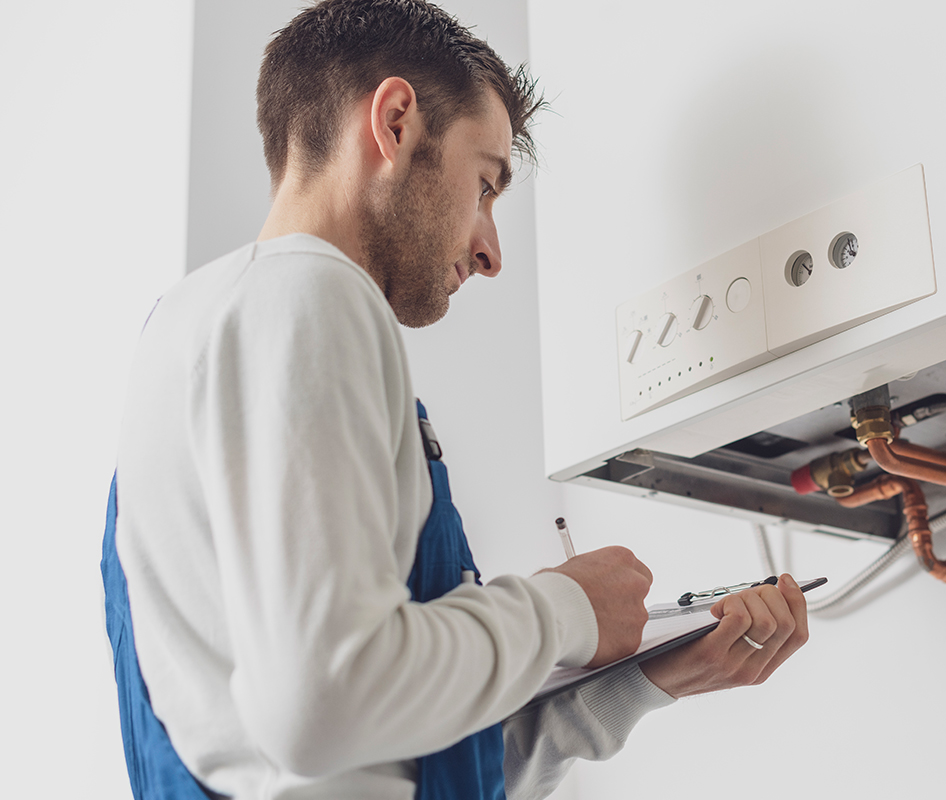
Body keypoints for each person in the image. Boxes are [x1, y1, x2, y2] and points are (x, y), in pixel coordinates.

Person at [101, 1, 810, 798]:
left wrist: (647, 680)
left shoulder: (194, 334)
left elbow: (385, 760)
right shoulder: (310, 294)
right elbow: (323, 703)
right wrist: (563, 612)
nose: (490, 249)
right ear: (396, 122)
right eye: (485, 184)